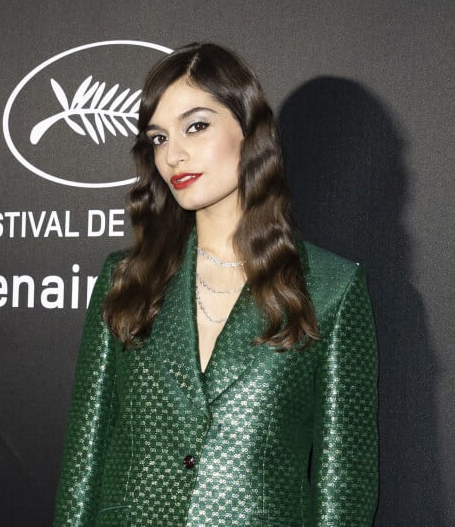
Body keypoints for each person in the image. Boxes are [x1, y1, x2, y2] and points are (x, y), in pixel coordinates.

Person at [53, 43, 378, 526]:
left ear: (248, 130)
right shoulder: (125, 278)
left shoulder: (329, 288)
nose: (174, 155)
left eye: (196, 126)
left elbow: (343, 483)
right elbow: (84, 460)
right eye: (159, 138)